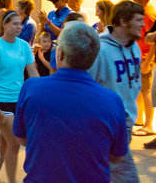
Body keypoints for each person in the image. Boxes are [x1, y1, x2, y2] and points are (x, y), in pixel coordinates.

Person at [13, 22, 128, 183]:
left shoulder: (31, 88)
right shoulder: (113, 101)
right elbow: (117, 156)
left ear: (59, 54)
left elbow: (23, 139)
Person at [88, 0, 143, 182]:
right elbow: (87, 86)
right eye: (138, 20)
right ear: (123, 21)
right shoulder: (100, 50)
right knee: (128, 178)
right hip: (107, 126)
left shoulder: (134, 46)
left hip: (126, 124)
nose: (143, 24)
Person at [0, 10, 39, 183]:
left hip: (20, 101)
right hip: (1, 102)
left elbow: (33, 72)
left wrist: (43, 94)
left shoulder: (24, 46)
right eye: (15, 24)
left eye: (20, 23)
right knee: (14, 142)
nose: (19, 27)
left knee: (4, 142)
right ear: (5, 25)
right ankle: (12, 181)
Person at [132, 0, 156, 135]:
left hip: (146, 57)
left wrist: (147, 61)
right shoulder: (142, 12)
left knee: (146, 90)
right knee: (140, 89)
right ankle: (139, 119)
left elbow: (154, 40)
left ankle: (149, 125)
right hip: (139, 55)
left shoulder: (149, 14)